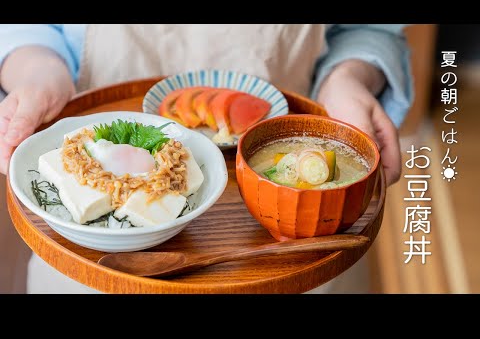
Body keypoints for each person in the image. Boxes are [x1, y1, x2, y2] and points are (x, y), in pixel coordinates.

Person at [0, 24, 412, 293]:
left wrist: (349, 78)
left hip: (288, 234)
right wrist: (36, 72)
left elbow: (368, 30)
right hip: (90, 262)